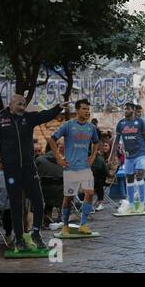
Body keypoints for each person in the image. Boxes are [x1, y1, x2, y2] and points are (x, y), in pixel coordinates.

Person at [0, 94, 67, 250]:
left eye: (24, 104)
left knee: (38, 202)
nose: (22, 107)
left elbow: (44, 115)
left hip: (29, 167)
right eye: (19, 104)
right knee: (16, 205)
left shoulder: (28, 118)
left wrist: (58, 107)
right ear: (11, 104)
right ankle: (19, 238)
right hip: (11, 169)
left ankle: (36, 234)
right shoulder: (0, 120)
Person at [49, 99, 99, 235]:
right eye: (84, 109)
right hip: (70, 168)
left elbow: (96, 142)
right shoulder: (68, 125)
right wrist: (59, 158)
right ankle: (65, 225)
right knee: (68, 198)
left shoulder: (91, 128)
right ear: (77, 110)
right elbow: (52, 139)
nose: (87, 112)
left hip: (85, 167)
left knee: (89, 193)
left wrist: (93, 156)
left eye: (88, 109)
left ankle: (83, 224)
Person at [112, 103, 145, 213]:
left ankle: (141, 203)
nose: (126, 110)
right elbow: (116, 141)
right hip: (128, 156)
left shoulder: (140, 122)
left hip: (140, 153)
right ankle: (131, 204)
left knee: (139, 174)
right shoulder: (121, 124)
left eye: (128, 109)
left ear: (133, 110)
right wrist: (111, 156)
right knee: (129, 179)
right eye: (125, 109)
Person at [35, 142, 64, 226]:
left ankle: (47, 214)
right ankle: (62, 214)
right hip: (61, 195)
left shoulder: (39, 160)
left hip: (44, 195)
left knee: (45, 189)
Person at [91, 142, 110, 211]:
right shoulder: (90, 158)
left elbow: (106, 173)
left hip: (104, 179)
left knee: (98, 181)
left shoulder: (99, 159)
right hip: (92, 178)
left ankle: (100, 203)